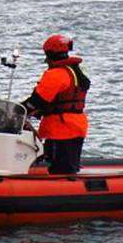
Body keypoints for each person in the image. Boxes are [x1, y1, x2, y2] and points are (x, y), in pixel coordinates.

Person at [23, 34, 91, 174]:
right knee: (69, 167)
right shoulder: (77, 70)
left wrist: (20, 111)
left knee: (59, 169)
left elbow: (37, 101)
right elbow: (63, 98)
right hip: (78, 125)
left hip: (60, 129)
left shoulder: (55, 74)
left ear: (49, 53)